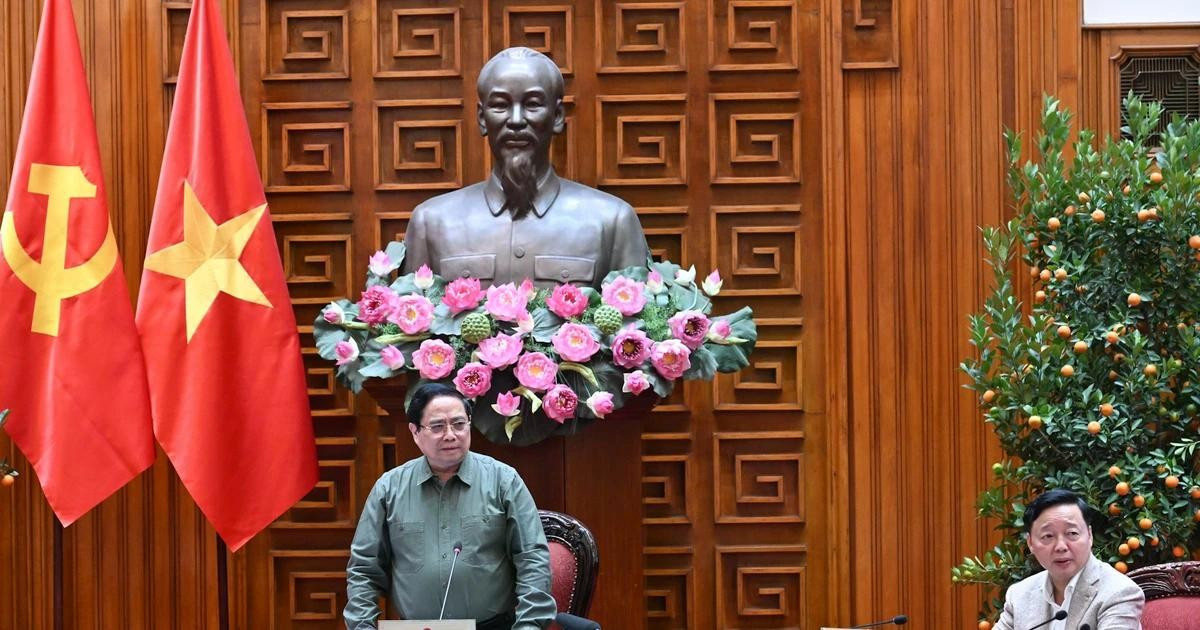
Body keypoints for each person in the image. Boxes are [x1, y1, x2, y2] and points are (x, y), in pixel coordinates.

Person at [401, 47, 649, 289]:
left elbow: (637, 326)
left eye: (532, 104)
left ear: (558, 116)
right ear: (481, 118)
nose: (516, 120)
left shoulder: (612, 221)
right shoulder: (432, 222)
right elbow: (402, 324)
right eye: (500, 105)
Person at [344, 383, 556, 630]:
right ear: (415, 431)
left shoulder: (503, 480)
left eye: (459, 424)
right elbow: (363, 569)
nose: (450, 435)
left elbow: (533, 559)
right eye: (437, 426)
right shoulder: (389, 488)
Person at [993, 489, 1144, 630]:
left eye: (1072, 533)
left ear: (1089, 536)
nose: (1061, 546)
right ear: (1031, 543)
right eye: (1048, 536)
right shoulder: (1019, 594)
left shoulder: (1119, 592)